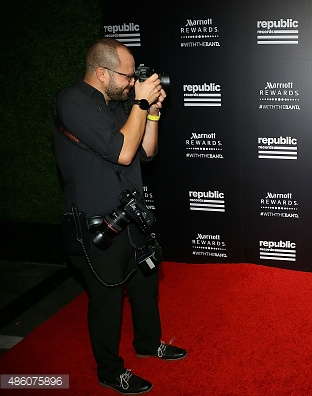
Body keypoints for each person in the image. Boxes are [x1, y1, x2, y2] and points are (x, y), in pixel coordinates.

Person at [51, 38, 186, 394]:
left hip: (132, 218)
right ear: (101, 72)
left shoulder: (119, 104)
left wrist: (151, 110)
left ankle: (147, 343)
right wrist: (140, 100)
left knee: (145, 285)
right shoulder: (72, 102)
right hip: (98, 228)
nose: (132, 82)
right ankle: (110, 371)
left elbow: (147, 150)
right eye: (127, 76)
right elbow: (123, 153)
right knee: (107, 302)